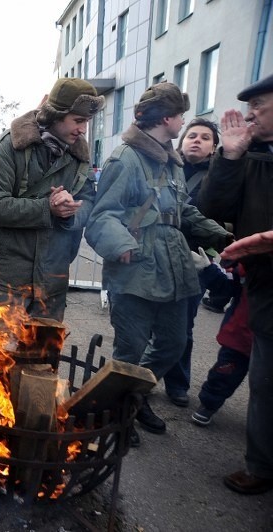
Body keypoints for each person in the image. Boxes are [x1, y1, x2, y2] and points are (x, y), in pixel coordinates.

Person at [84, 82, 229, 446]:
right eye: (180, 115)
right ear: (167, 117)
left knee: (173, 344)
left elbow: (183, 211)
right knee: (130, 350)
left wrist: (221, 237)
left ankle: (131, 396)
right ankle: (116, 413)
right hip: (135, 270)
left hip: (173, 266)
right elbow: (102, 217)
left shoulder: (171, 160)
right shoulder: (125, 159)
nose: (183, 122)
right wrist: (123, 247)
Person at [199, 73, 273, 496]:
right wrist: (228, 159)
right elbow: (213, 208)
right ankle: (262, 465)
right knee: (265, 383)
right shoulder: (252, 155)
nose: (248, 114)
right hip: (265, 290)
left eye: (258, 105)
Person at [0, 78, 103, 322]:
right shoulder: (11, 146)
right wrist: (47, 208)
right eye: (78, 121)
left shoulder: (79, 155)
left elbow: (89, 202)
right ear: (56, 115)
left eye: (86, 122)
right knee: (1, 356)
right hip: (8, 281)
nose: (83, 130)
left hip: (53, 280)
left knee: (42, 359)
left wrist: (71, 212)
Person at [161, 118, 222, 407]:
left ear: (214, 148)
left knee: (182, 326)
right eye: (192, 135)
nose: (197, 140)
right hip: (159, 256)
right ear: (181, 142)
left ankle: (177, 384)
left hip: (194, 262)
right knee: (151, 323)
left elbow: (220, 220)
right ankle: (143, 378)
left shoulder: (220, 178)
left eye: (205, 137)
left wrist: (207, 257)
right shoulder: (166, 168)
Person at [191, 262, 251, 426]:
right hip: (240, 333)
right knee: (225, 371)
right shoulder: (254, 256)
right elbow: (227, 285)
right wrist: (209, 270)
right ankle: (209, 404)